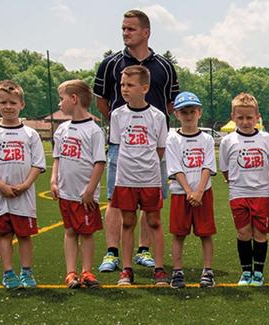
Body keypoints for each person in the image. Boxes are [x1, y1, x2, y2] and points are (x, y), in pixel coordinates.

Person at [94, 9, 180, 273]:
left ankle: (144, 250)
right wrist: (124, 124)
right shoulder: (110, 64)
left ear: (146, 32)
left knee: (150, 200)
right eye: (123, 29)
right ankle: (112, 252)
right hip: (123, 145)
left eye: (130, 29)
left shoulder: (164, 66)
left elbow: (169, 103)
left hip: (154, 145)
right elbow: (102, 101)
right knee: (115, 199)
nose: (125, 33)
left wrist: (150, 130)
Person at [0, 80, 46, 289]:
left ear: (22, 105)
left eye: (13, 102)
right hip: (0, 196)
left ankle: (26, 272)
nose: (8, 106)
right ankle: (8, 273)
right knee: (5, 234)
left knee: (25, 235)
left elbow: (38, 163)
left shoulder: (30, 134)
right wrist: (1, 185)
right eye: (3, 102)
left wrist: (25, 185)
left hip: (24, 196)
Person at [108, 65, 170, 286]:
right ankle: (126, 270)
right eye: (122, 84)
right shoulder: (117, 115)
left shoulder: (158, 116)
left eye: (130, 85)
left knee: (154, 222)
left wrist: (146, 165)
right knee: (127, 222)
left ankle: (160, 270)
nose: (124, 89)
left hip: (150, 179)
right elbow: (117, 145)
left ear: (144, 87)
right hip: (125, 179)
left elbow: (160, 149)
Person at [220, 93, 269, 287]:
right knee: (244, 232)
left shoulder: (266, 139)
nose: (245, 122)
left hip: (261, 193)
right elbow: (226, 171)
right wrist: (239, 183)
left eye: (249, 118)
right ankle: (246, 272)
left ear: (257, 117)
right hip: (238, 193)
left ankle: (258, 273)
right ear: (233, 116)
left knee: (260, 233)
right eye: (240, 118)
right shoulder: (228, 141)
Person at [52, 80, 106, 289]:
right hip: (66, 193)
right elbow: (57, 157)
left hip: (85, 195)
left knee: (86, 232)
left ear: (74, 99)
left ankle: (87, 272)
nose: (59, 104)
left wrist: (90, 190)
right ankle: (71, 273)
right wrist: (53, 180)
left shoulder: (94, 130)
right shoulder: (62, 129)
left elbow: (99, 162)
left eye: (61, 98)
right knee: (70, 231)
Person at [166, 92, 217, 289]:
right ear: (177, 114)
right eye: (184, 112)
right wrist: (189, 191)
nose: (189, 116)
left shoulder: (206, 139)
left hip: (203, 193)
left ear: (199, 112)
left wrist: (199, 191)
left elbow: (207, 166)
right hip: (181, 193)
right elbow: (176, 168)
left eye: (192, 111)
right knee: (179, 234)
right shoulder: (173, 139)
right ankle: (178, 272)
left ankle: (208, 271)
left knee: (205, 233)